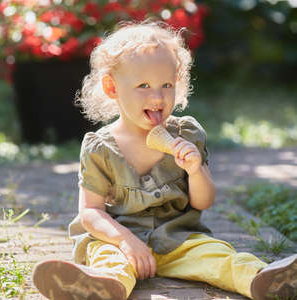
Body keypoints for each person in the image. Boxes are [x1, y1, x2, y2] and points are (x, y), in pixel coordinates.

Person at [32, 20, 296, 300]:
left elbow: (203, 202)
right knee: (110, 261)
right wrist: (126, 241)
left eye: (166, 84)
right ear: (112, 88)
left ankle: (264, 279)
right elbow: (90, 213)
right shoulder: (100, 147)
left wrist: (195, 171)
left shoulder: (187, 135)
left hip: (178, 240)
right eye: (143, 85)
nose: (157, 97)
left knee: (217, 255)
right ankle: (100, 287)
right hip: (119, 241)